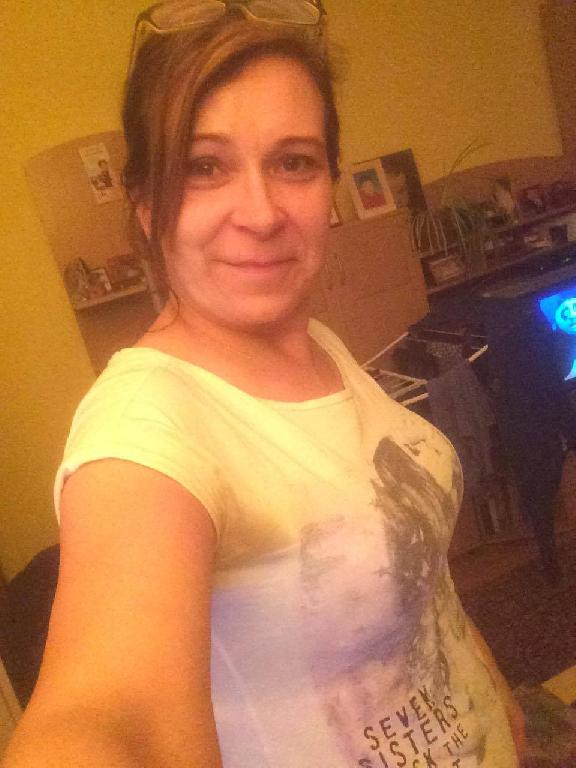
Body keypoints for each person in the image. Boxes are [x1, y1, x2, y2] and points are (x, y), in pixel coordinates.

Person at [3, 2, 525, 766]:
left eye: (294, 162)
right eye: (204, 166)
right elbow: (106, 714)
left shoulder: (315, 345)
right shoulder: (145, 424)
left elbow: (412, 574)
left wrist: (487, 680)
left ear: (329, 183)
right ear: (145, 205)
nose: (261, 212)